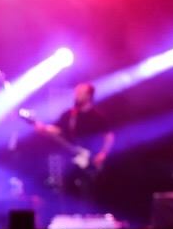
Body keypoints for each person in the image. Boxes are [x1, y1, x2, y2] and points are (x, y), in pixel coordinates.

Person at [35, 83, 114, 211]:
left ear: (89, 96)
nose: (76, 96)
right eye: (76, 92)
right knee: (67, 190)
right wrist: (42, 128)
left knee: (88, 192)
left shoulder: (97, 116)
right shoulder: (69, 115)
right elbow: (56, 129)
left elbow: (108, 136)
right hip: (70, 160)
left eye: (80, 93)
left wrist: (102, 154)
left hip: (90, 160)